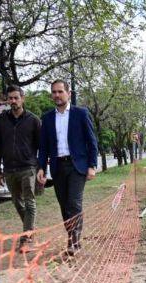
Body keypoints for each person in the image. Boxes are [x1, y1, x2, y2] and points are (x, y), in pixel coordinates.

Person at [37, 79, 98, 255]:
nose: (57, 95)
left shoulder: (81, 113)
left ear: (68, 94)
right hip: (57, 167)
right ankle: (72, 236)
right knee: (64, 206)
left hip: (77, 166)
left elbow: (91, 141)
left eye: (60, 91)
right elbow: (44, 146)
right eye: (54, 92)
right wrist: (41, 167)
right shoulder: (47, 118)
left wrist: (92, 165)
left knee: (74, 203)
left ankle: (74, 241)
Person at [0, 85, 41, 251]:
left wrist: (41, 167)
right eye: (10, 98)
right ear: (7, 100)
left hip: (28, 167)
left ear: (22, 98)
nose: (13, 101)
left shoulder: (33, 120)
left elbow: (41, 146)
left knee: (30, 202)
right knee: (16, 202)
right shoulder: (1, 121)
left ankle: (26, 237)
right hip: (9, 169)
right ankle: (31, 228)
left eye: (16, 97)